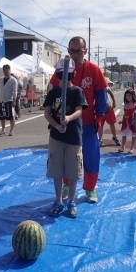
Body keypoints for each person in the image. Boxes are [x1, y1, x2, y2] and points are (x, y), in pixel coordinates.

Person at [49, 37, 107, 203]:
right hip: (68, 124)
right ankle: (66, 185)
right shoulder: (62, 69)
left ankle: (90, 188)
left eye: (78, 51)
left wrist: (99, 117)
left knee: (90, 156)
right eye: (71, 51)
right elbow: (54, 91)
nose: (74, 54)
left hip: (88, 123)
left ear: (85, 51)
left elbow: (101, 95)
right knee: (68, 156)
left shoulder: (94, 70)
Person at [43, 58, 88, 218]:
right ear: (57, 74)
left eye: (67, 74)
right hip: (56, 136)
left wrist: (68, 118)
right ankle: (58, 200)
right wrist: (56, 125)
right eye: (61, 74)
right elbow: (47, 113)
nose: (64, 77)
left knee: (73, 171)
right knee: (56, 171)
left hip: (73, 136)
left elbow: (80, 110)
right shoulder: (53, 92)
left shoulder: (77, 91)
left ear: (73, 74)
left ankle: (71, 201)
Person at [0, 64, 17, 136]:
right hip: (1, 100)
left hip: (9, 100)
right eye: (4, 70)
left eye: (6, 70)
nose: (5, 71)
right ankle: (3, 129)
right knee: (2, 116)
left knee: (11, 115)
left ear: (9, 70)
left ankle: (11, 130)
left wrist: (14, 100)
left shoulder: (13, 80)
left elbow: (15, 91)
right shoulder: (1, 79)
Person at [118, 89, 136, 154]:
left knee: (133, 135)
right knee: (124, 134)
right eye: (126, 96)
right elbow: (125, 113)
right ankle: (122, 147)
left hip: (133, 122)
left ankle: (132, 148)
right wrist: (122, 121)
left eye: (129, 95)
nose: (128, 97)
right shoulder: (126, 105)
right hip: (126, 122)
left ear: (133, 95)